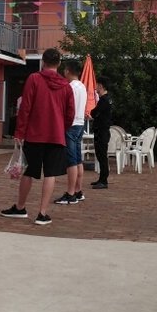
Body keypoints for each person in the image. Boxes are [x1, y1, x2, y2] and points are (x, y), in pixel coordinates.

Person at [1, 48, 75, 225]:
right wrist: (61, 128)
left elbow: (25, 108)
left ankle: (20, 207)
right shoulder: (66, 86)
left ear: (43, 62)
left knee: (29, 171)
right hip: (56, 136)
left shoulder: (34, 79)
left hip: (34, 134)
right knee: (50, 173)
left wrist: (20, 132)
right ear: (59, 64)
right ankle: (42, 213)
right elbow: (70, 114)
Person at [54, 60, 87, 205]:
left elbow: (64, 107)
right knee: (78, 159)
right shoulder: (82, 86)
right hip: (80, 124)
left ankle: (70, 194)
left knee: (71, 160)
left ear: (68, 71)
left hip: (71, 125)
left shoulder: (69, 87)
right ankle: (78, 191)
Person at [89, 76, 112, 189]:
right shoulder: (108, 99)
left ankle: (104, 180)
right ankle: (101, 178)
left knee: (102, 156)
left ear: (101, 86)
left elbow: (94, 112)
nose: (95, 88)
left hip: (101, 132)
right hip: (103, 131)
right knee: (100, 155)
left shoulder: (103, 100)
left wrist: (92, 113)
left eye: (97, 85)